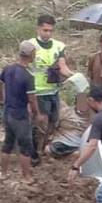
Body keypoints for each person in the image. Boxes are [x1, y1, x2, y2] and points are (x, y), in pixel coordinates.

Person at [0, 40, 45, 183]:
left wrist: (2, 100)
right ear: (31, 55)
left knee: (8, 143)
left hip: (7, 112)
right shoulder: (28, 76)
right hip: (20, 115)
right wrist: (38, 114)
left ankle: (3, 173)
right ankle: (26, 177)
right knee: (25, 146)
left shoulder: (8, 69)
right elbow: (32, 100)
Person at [29, 14, 74, 165]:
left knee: (53, 121)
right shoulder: (31, 46)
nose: (47, 33)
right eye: (45, 30)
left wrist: (72, 76)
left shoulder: (58, 46)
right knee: (40, 122)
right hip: (38, 91)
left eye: (50, 31)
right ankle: (35, 152)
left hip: (53, 90)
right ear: (38, 29)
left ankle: (43, 148)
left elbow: (63, 66)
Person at [45, 93, 91, 158]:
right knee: (48, 150)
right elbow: (54, 125)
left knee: (83, 152)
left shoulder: (92, 116)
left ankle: (70, 155)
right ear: (76, 103)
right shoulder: (66, 112)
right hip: (63, 141)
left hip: (79, 143)